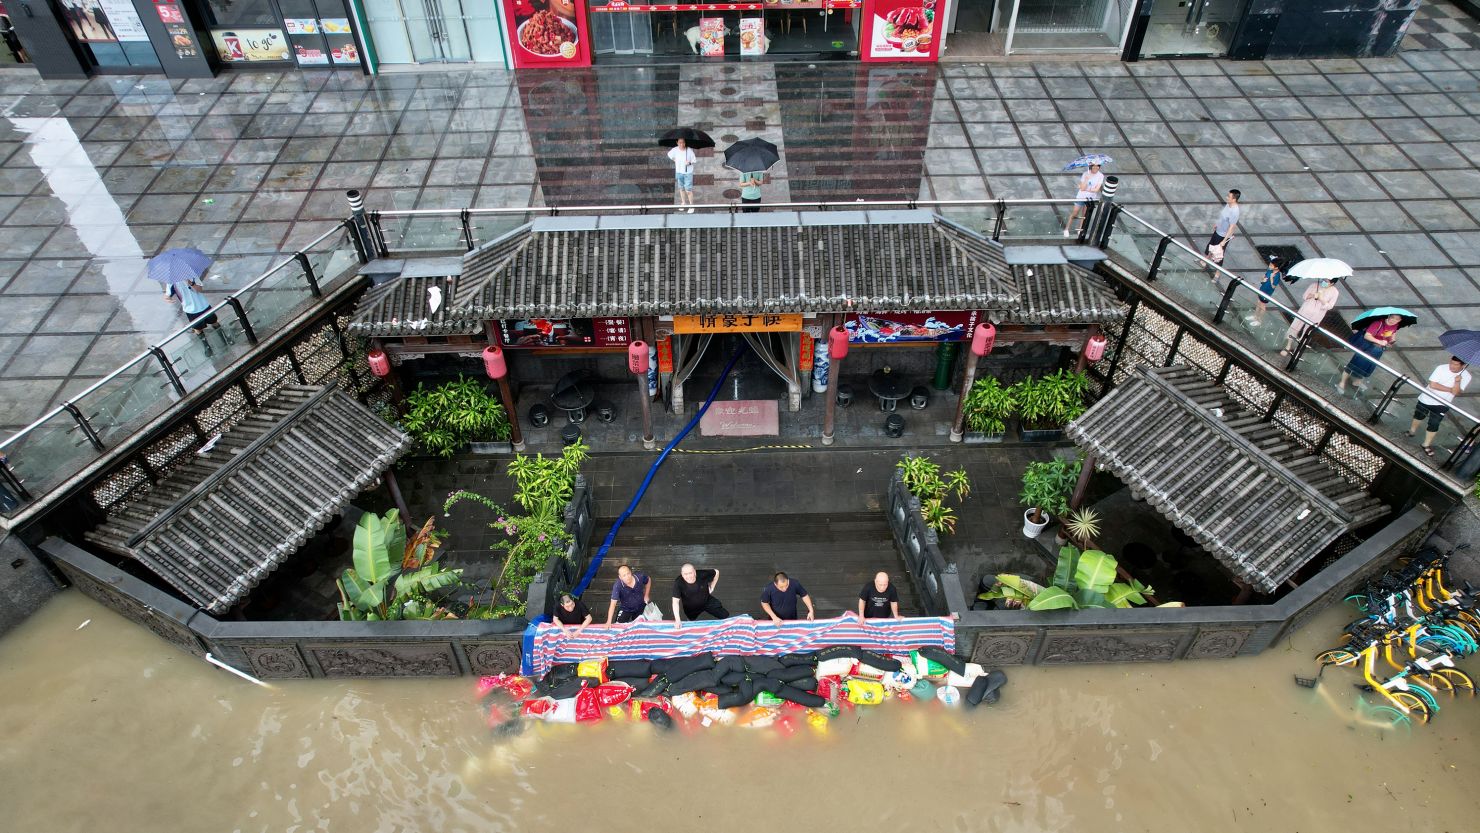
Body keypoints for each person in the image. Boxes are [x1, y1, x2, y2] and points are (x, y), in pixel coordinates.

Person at [1409, 357, 1471, 458]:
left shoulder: (1466, 376)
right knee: (1418, 415)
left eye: (1456, 365)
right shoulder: (1441, 368)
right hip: (1426, 398)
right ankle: (1412, 431)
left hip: (1442, 403)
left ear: (1462, 366)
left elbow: (1456, 392)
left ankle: (1426, 444)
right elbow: (1433, 385)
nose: (1452, 366)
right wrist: (1450, 389)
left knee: (1434, 423)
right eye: (1451, 363)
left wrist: (1457, 382)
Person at [1337, 314, 1402, 393]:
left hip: (1378, 350)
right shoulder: (1378, 323)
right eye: (1392, 318)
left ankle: (1357, 381)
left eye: (1397, 319)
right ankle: (1342, 382)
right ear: (1389, 316)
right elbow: (1367, 336)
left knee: (1368, 367)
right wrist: (1379, 341)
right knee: (1355, 364)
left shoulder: (1395, 326)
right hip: (1367, 347)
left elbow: (1392, 335)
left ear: (1400, 320)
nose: (1394, 320)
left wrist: (1390, 341)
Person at [1281, 278, 1339, 358]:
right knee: (1295, 326)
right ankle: (1288, 345)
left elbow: (1330, 306)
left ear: (1332, 283)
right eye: (1324, 280)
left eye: (1327, 281)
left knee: (1307, 331)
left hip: (1317, 314)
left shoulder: (1334, 292)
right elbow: (1304, 296)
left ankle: (1298, 348)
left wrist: (1321, 299)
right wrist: (1312, 295)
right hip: (1305, 309)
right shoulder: (1315, 285)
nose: (1324, 282)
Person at [164, 279, 226, 352]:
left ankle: (223, 338)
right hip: (190, 310)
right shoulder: (171, 283)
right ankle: (206, 346)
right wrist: (168, 299)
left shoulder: (192, 276)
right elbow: (167, 296)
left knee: (214, 321)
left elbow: (200, 289)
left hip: (204, 306)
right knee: (198, 329)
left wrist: (191, 283)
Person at [1063, 161, 1104, 238]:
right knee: (1075, 213)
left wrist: (1087, 188)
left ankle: (1079, 229)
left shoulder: (1100, 176)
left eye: (1097, 166)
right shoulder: (1085, 174)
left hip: (1090, 198)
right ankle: (1066, 229)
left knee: (1084, 214)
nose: (1096, 167)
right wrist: (1086, 180)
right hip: (1081, 197)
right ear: (1090, 166)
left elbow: (1096, 190)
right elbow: (1082, 188)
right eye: (1094, 166)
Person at [1245, 255, 1284, 327]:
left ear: (1277, 267)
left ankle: (1259, 320)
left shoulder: (1277, 276)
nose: (1270, 266)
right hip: (1262, 289)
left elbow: (1273, 286)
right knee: (1258, 302)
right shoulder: (1269, 270)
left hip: (1267, 293)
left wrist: (1272, 278)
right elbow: (1264, 278)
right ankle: (1255, 316)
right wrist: (1263, 279)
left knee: (1262, 305)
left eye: (1271, 265)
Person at [1206, 189, 1241, 267]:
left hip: (1222, 235)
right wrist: (1217, 224)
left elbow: (1232, 227)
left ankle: (1217, 274)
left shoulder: (1235, 211)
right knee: (1211, 246)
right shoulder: (1228, 204)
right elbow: (1223, 216)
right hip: (1218, 230)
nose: (1227, 197)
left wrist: (1224, 241)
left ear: (1234, 199)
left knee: (1218, 254)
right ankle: (1205, 261)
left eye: (1229, 196)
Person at [667, 137, 696, 213]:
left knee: (688, 190)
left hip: (687, 173)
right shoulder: (675, 150)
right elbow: (669, 155)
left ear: (685, 143)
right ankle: (683, 202)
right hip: (679, 172)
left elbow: (694, 160)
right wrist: (675, 160)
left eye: (683, 142)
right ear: (677, 142)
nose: (681, 144)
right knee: (681, 188)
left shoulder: (689, 150)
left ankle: (691, 205)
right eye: (680, 142)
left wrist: (689, 163)